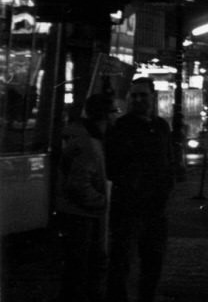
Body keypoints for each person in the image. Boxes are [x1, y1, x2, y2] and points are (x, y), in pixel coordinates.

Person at [106, 77, 184, 302]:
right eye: (134, 95)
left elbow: (168, 159)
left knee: (153, 258)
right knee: (121, 259)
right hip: (128, 204)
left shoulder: (161, 126)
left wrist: (167, 185)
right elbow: (113, 165)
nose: (138, 100)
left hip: (155, 206)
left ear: (153, 97)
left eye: (143, 95)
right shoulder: (122, 127)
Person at [56, 92, 116, 302]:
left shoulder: (78, 135)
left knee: (76, 269)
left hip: (74, 212)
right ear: (105, 116)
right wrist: (102, 203)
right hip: (83, 216)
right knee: (84, 268)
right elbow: (79, 185)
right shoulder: (89, 144)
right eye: (112, 114)